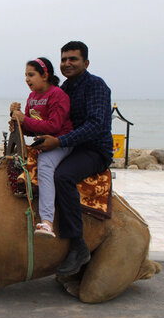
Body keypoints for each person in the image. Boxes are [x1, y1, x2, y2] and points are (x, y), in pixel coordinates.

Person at [34, 41, 113, 276]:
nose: (67, 63)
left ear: (85, 62)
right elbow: (53, 120)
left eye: (73, 59)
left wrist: (59, 141)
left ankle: (77, 244)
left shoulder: (96, 86)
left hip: (93, 149)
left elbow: (96, 125)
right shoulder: (63, 90)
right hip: (69, 146)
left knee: (63, 176)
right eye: (64, 59)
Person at [10, 57, 73, 238]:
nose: (27, 79)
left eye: (31, 74)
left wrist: (24, 118)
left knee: (45, 166)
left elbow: (54, 126)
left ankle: (47, 222)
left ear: (45, 75)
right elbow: (30, 128)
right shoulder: (32, 97)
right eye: (25, 75)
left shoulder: (58, 95)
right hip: (42, 142)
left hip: (61, 142)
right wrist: (15, 117)